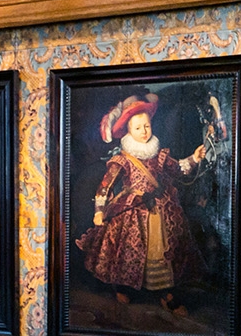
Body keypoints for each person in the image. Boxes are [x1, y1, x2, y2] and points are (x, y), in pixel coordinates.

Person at [76, 93, 206, 316]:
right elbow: (104, 187)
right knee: (128, 252)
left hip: (162, 211)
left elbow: (179, 169)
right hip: (132, 212)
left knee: (163, 253)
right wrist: (99, 211)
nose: (144, 131)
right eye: (138, 128)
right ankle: (122, 286)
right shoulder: (123, 159)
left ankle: (167, 295)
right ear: (129, 131)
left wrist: (194, 158)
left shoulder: (160, 155)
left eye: (146, 126)